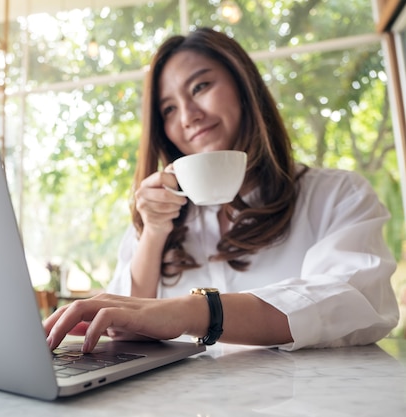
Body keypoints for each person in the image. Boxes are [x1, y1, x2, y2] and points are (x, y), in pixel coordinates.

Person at [44, 28, 399, 353]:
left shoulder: (337, 194)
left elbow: (356, 302)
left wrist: (196, 312)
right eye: (168, 109)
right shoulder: (161, 216)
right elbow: (127, 329)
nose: (188, 116)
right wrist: (152, 232)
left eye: (200, 87)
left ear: (245, 89)